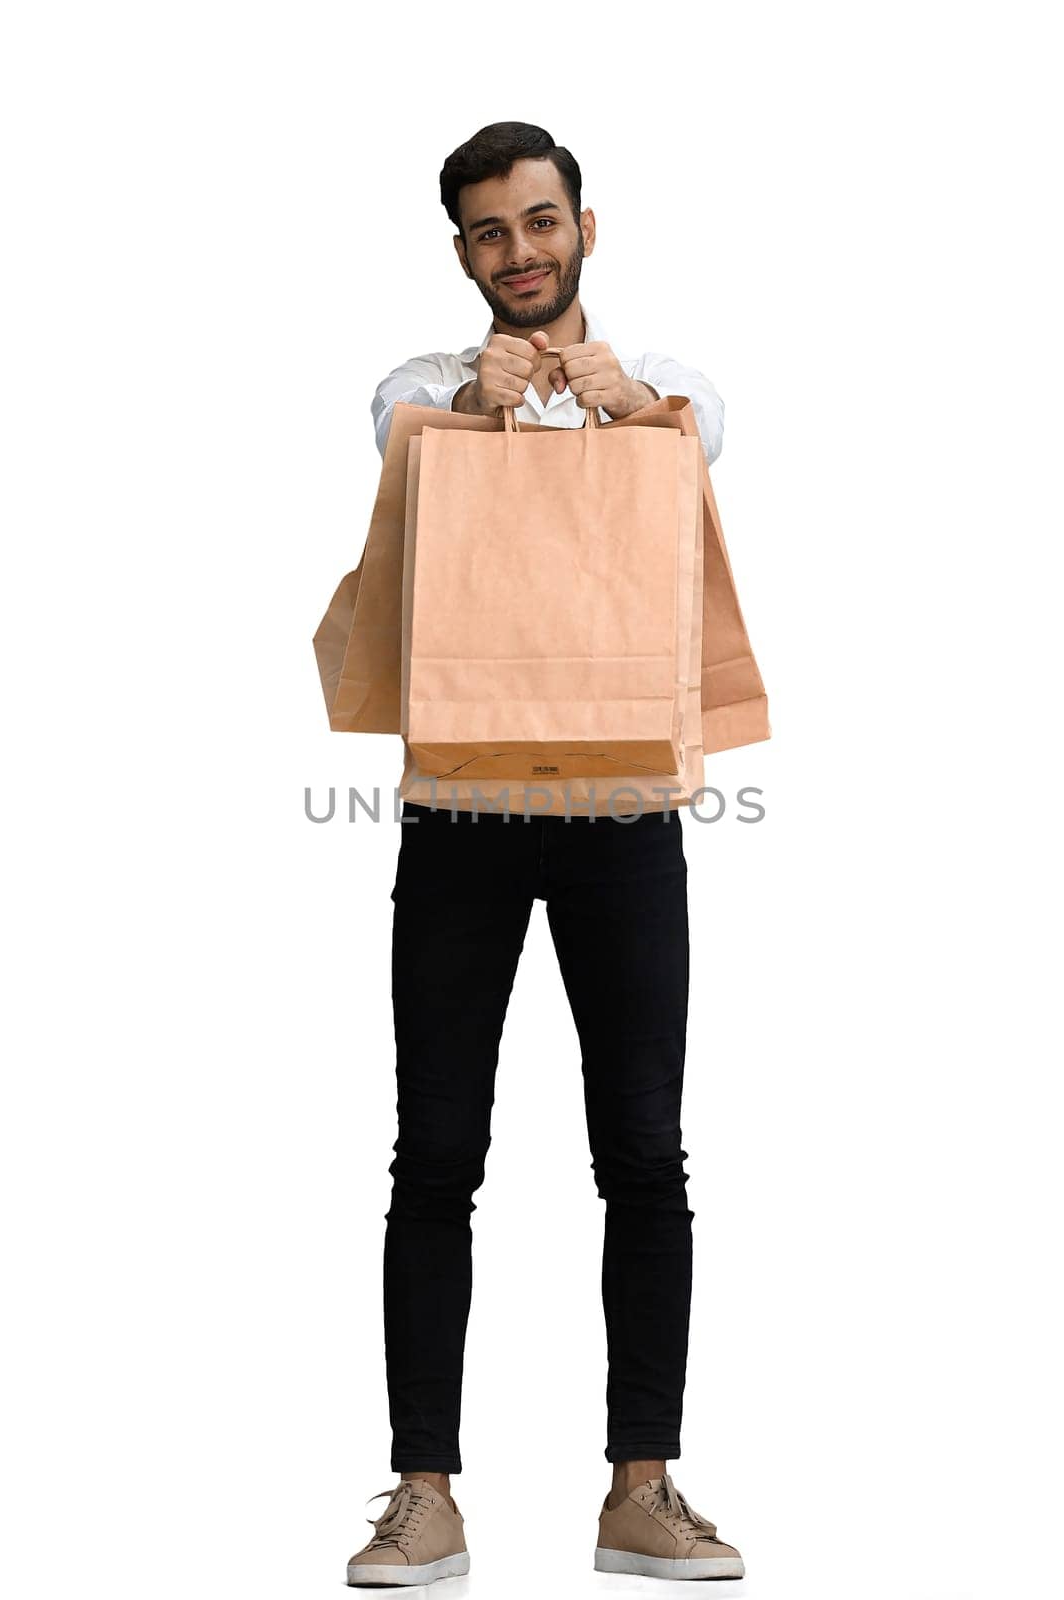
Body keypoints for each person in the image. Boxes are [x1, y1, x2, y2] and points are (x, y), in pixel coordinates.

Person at [346, 121, 745, 1587]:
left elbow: (694, 450)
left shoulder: (678, 392)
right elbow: (396, 452)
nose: (521, 252)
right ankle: (423, 1493)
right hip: (462, 805)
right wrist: (468, 399)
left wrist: (623, 402)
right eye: (490, 233)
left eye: (540, 221)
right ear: (462, 253)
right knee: (436, 1152)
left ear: (587, 225)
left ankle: (642, 1488)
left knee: (643, 1152)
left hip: (625, 814)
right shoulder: (414, 386)